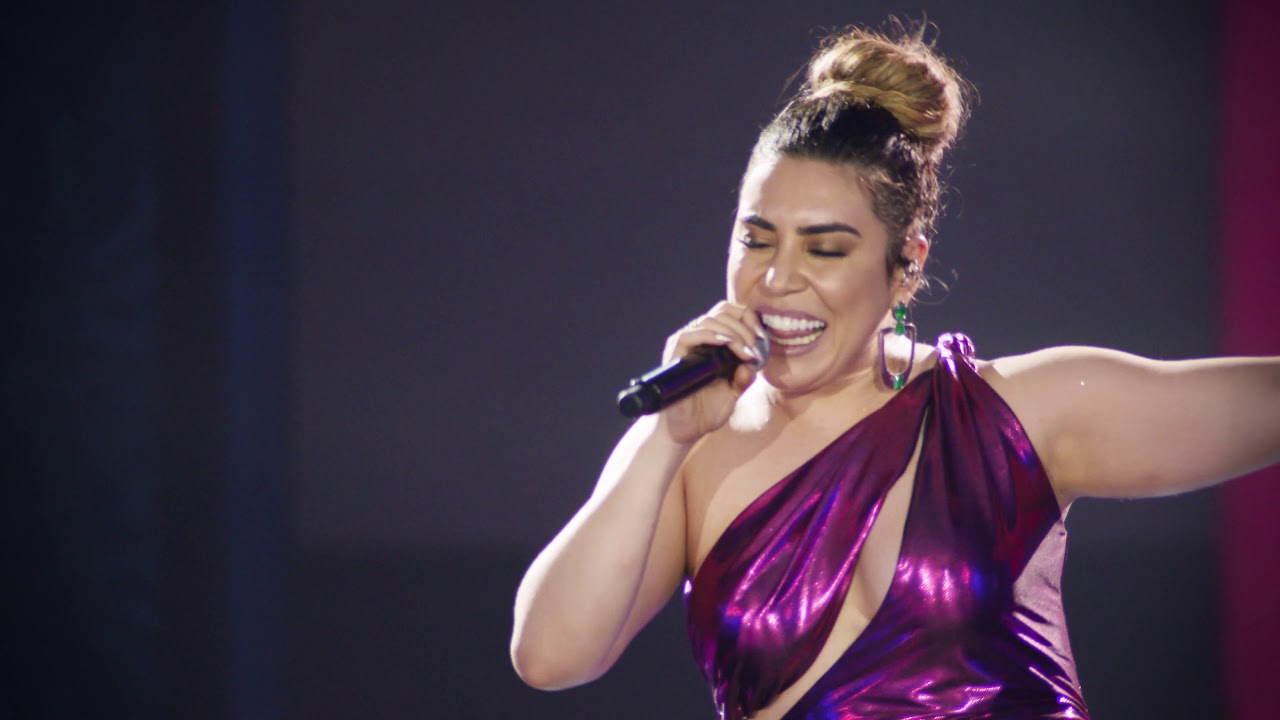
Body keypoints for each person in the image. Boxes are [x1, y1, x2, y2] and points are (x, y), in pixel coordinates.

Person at [508, 21, 1280, 720]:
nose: (777, 279)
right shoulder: (687, 449)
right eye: (756, 238)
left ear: (906, 263)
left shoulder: (1017, 417)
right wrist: (662, 437)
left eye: (825, 248)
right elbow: (548, 657)